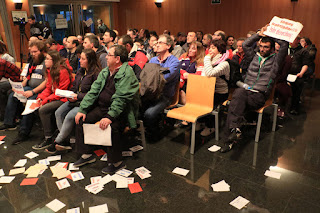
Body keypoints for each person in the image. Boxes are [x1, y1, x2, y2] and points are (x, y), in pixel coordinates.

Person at [221, 25, 289, 153]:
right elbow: (246, 44)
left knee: (235, 103)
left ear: (272, 48)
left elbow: (284, 45)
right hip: (245, 92)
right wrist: (259, 34)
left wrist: (270, 33)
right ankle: (234, 132)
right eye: (261, 46)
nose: (263, 49)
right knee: (238, 97)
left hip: (259, 95)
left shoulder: (276, 61)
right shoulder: (254, 56)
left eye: (266, 47)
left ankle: (231, 136)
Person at [73, 45, 139, 174]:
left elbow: (121, 99)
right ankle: (87, 155)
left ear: (117, 59)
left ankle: (117, 162)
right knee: (81, 119)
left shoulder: (127, 74)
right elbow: (93, 91)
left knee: (111, 127)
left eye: (109, 55)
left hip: (121, 111)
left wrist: (109, 116)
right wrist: (83, 109)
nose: (106, 57)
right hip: (102, 107)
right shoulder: (106, 71)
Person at [45, 49, 100, 153]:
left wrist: (77, 96)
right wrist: (70, 94)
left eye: (83, 59)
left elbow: (93, 94)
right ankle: (65, 141)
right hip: (75, 99)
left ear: (90, 60)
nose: (80, 61)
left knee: (70, 116)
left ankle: (57, 141)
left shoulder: (96, 74)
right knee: (59, 112)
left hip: (86, 102)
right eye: (80, 58)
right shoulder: (81, 71)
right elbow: (75, 86)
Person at [0, 40, 47, 144]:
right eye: (32, 52)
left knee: (30, 101)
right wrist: (19, 86)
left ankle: (24, 132)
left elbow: (47, 82)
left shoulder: (46, 62)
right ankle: (9, 123)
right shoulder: (34, 62)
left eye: (35, 52)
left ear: (42, 51)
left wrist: (33, 91)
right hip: (30, 87)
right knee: (13, 95)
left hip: (41, 90)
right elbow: (28, 77)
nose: (33, 54)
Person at [32, 50, 73, 150]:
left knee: (43, 109)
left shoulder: (62, 71)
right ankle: (50, 132)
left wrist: (46, 100)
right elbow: (48, 87)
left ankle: (48, 137)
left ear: (54, 61)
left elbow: (60, 91)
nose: (45, 61)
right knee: (37, 105)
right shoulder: (50, 70)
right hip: (56, 96)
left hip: (64, 98)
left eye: (47, 59)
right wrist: (41, 98)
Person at [142, 34, 180, 140]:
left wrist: (153, 76)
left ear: (168, 46)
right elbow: (145, 77)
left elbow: (165, 78)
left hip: (165, 96)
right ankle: (145, 130)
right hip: (151, 92)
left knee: (149, 114)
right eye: (157, 42)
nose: (157, 45)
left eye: (160, 43)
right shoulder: (153, 60)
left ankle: (155, 133)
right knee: (135, 106)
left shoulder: (174, 61)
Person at [200, 40, 230, 136]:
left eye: (213, 48)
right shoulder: (211, 60)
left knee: (207, 102)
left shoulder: (224, 63)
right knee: (198, 98)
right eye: (210, 48)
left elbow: (210, 73)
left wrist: (206, 58)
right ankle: (200, 122)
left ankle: (210, 126)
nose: (210, 50)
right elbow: (203, 74)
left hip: (220, 92)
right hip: (208, 89)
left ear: (220, 50)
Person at [288, 37, 312, 115]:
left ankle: (294, 107)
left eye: (293, 39)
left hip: (297, 74)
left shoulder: (303, 51)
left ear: (298, 41)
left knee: (297, 85)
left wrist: (301, 73)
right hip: (286, 73)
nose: (290, 41)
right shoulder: (287, 49)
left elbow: (305, 64)